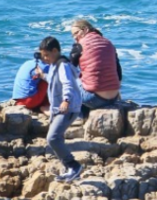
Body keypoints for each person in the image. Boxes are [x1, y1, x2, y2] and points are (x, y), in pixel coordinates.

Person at [35, 36, 83, 183]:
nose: (44, 58)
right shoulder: (55, 64)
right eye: (43, 56)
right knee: (58, 138)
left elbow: (67, 83)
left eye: (46, 55)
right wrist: (42, 75)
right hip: (58, 108)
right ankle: (69, 170)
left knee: (52, 138)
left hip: (68, 108)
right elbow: (53, 80)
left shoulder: (63, 65)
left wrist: (66, 100)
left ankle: (74, 166)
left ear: (55, 51)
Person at [70, 19, 121, 110]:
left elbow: (68, 70)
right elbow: (118, 73)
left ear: (85, 30)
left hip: (94, 99)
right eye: (73, 35)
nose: (74, 37)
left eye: (76, 33)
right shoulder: (108, 43)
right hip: (114, 97)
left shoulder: (79, 45)